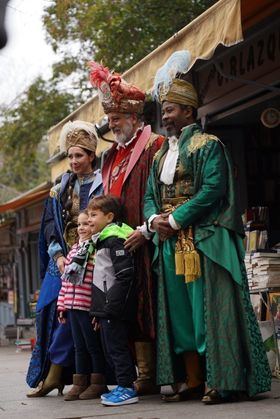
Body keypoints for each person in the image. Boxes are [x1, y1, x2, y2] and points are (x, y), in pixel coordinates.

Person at [143, 51, 271, 404]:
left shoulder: (208, 144)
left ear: (188, 110)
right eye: (163, 110)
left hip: (205, 238)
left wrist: (175, 219)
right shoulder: (158, 155)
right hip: (169, 242)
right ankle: (194, 379)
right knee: (182, 314)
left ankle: (222, 380)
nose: (165, 116)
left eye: (170, 109)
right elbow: (151, 195)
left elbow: (213, 189)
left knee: (209, 310)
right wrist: (155, 220)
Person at [89, 62, 164, 394]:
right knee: (121, 308)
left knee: (148, 303)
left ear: (135, 118)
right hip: (115, 244)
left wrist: (146, 229)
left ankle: (150, 373)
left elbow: (164, 196)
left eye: (117, 118)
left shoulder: (155, 145)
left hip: (147, 238)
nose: (112, 124)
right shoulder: (109, 156)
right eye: (110, 119)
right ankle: (134, 373)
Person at [26, 120, 103, 397]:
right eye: (70, 156)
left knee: (80, 317)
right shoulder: (59, 187)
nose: (73, 161)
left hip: (93, 259)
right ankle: (51, 372)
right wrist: (58, 255)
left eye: (79, 155)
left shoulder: (102, 183)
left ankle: (67, 376)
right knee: (48, 308)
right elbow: (49, 225)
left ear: (91, 156)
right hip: (61, 259)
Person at [88, 195, 138, 406]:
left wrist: (110, 307)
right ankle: (123, 384)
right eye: (88, 214)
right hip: (106, 307)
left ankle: (127, 388)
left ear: (109, 217)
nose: (89, 219)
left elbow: (125, 274)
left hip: (114, 307)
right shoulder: (102, 239)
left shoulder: (114, 239)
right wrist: (98, 311)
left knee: (117, 348)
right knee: (110, 348)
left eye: (94, 215)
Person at [57, 210, 107, 401]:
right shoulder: (74, 250)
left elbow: (100, 281)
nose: (82, 228)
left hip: (87, 307)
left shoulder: (95, 249)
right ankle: (80, 384)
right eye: (79, 224)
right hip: (72, 307)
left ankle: (98, 383)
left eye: (86, 224)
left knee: (93, 346)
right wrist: (62, 305)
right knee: (79, 347)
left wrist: (98, 309)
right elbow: (65, 282)